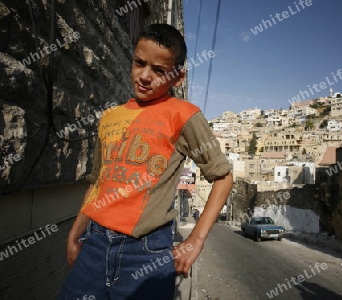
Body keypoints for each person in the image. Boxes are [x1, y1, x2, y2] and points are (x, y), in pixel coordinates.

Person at [57, 23, 233, 300]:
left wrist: (194, 240)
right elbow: (97, 183)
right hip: (94, 245)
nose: (145, 76)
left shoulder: (184, 115)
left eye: (159, 71)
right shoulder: (110, 117)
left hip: (146, 252)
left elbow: (223, 177)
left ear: (178, 77)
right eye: (139, 63)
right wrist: (75, 233)